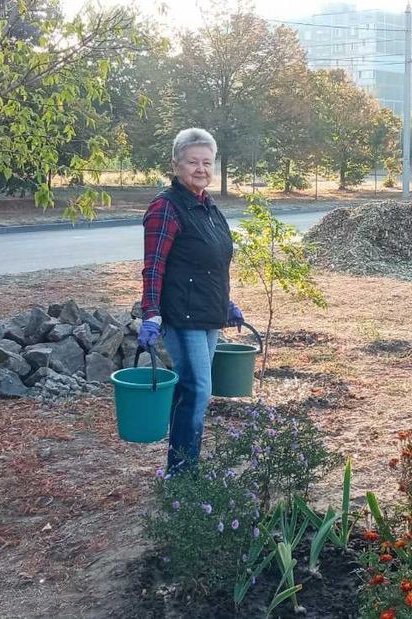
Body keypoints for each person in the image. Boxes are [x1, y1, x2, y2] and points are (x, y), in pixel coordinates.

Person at [138, 128, 245, 472]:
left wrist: (226, 303)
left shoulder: (207, 206)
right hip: (182, 314)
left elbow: (214, 263)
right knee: (197, 389)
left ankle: (183, 467)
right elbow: (153, 267)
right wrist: (151, 313)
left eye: (206, 162)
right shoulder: (166, 207)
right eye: (192, 162)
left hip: (206, 312)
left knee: (194, 390)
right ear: (175, 164)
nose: (200, 168)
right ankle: (181, 474)